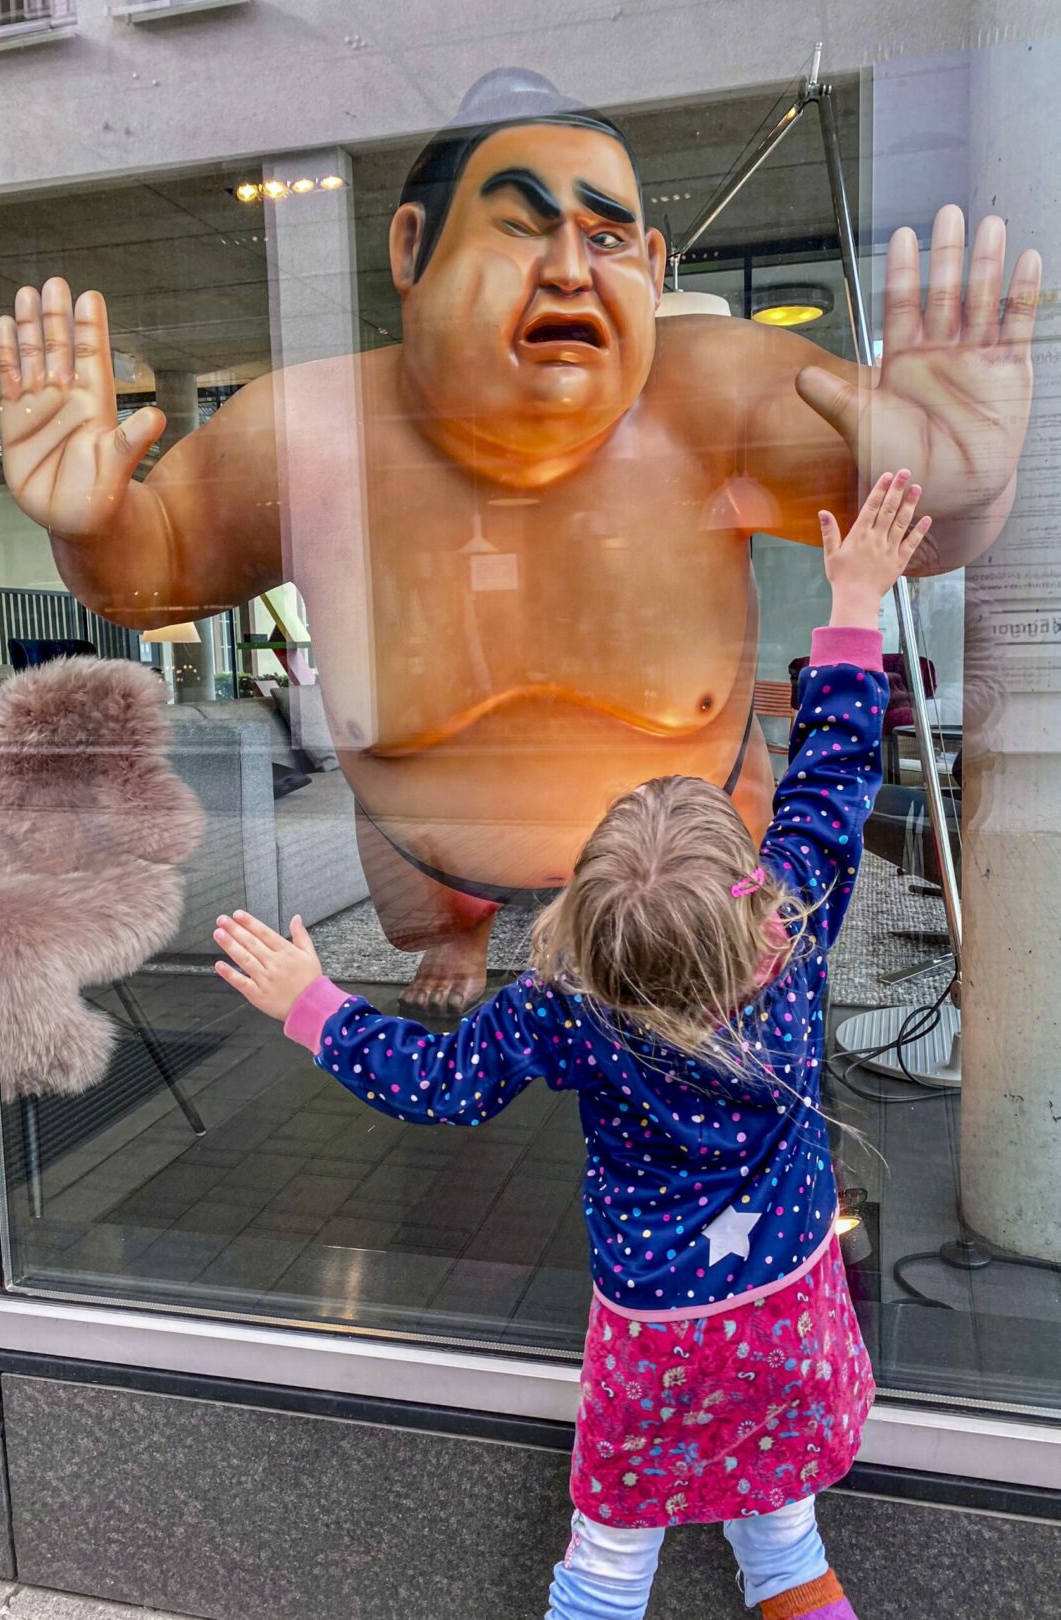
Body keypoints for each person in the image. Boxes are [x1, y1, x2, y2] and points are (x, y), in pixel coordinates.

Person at [0, 69, 1039, 1017]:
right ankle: (460, 932)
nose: (571, 269)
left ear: (657, 264)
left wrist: (958, 482)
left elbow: (909, 520)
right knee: (464, 1003)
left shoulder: (717, 391)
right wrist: (96, 525)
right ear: (412, 250)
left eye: (608, 237)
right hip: (428, 870)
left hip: (693, 895)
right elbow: (157, 570)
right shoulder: (310, 432)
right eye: (522, 228)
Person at [212, 470, 926, 1619]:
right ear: (748, 894)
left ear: (582, 922)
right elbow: (835, 765)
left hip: (655, 1345)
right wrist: (853, 598)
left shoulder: (566, 1007)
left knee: (604, 1575)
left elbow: (438, 1084)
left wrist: (313, 1002)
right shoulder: (795, 918)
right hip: (789, 1316)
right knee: (787, 1557)